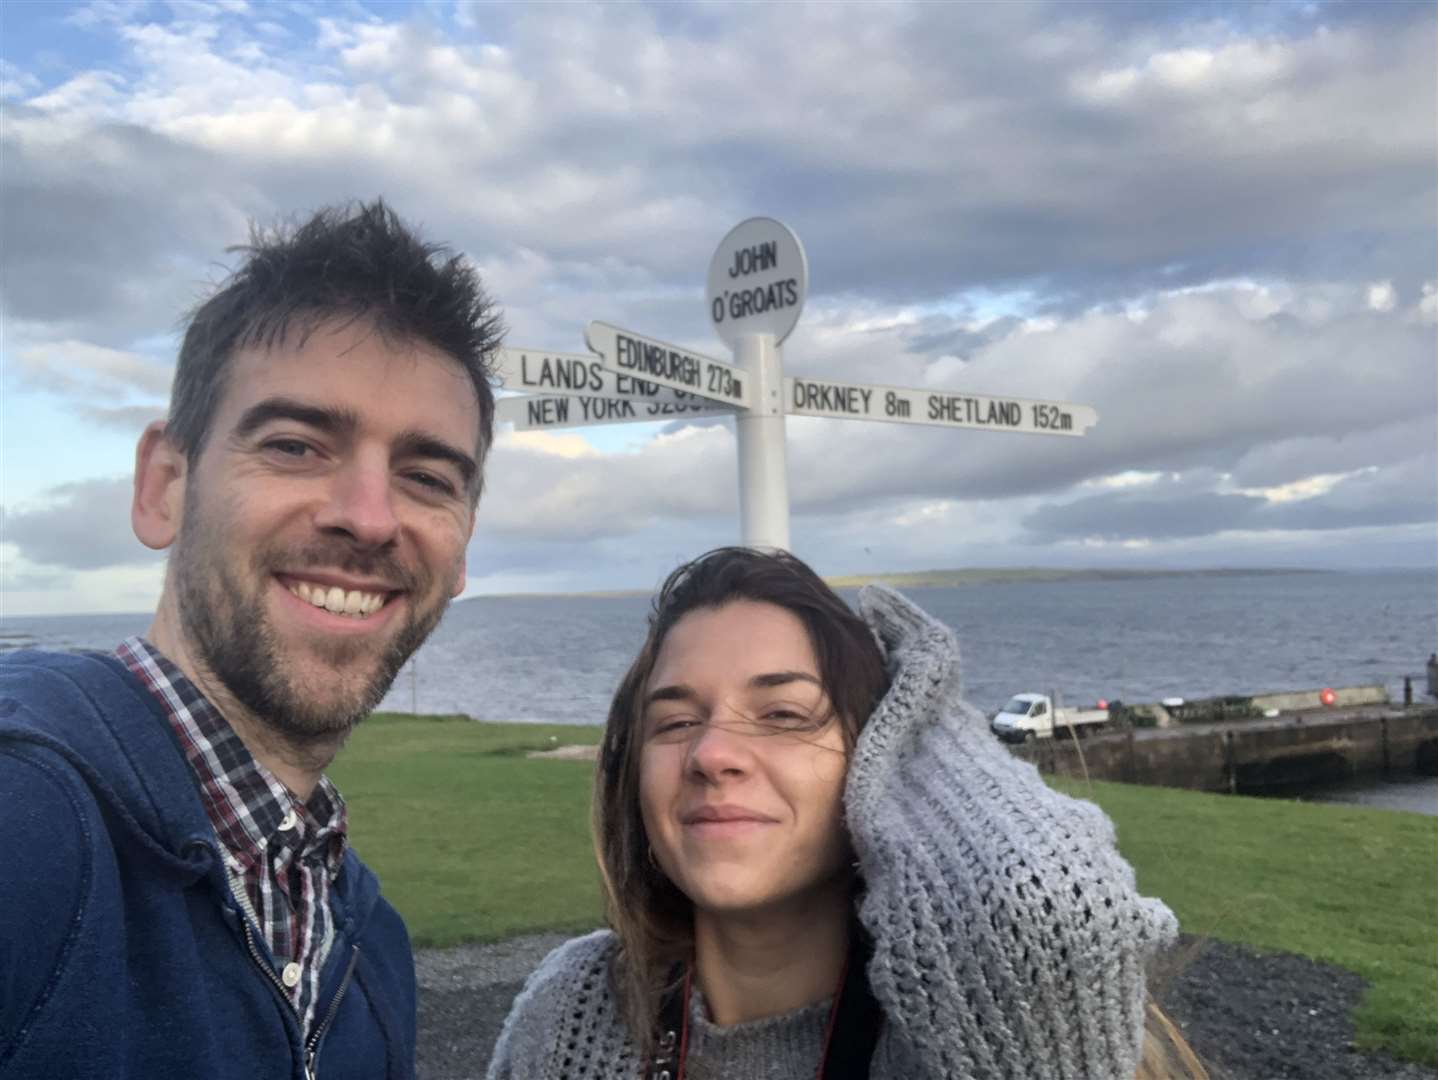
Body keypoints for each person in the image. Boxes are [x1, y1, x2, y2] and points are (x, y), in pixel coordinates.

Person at [0, 200, 501, 1079]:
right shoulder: (26, 821)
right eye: (297, 445)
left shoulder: (368, 939)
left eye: (426, 477)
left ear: (462, 548)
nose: (370, 519)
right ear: (164, 486)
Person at [488, 547, 1203, 1079]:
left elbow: (1050, 914)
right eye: (674, 723)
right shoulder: (573, 1011)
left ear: (878, 762)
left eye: (783, 714)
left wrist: (932, 729)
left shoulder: (966, 1034)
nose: (711, 753)